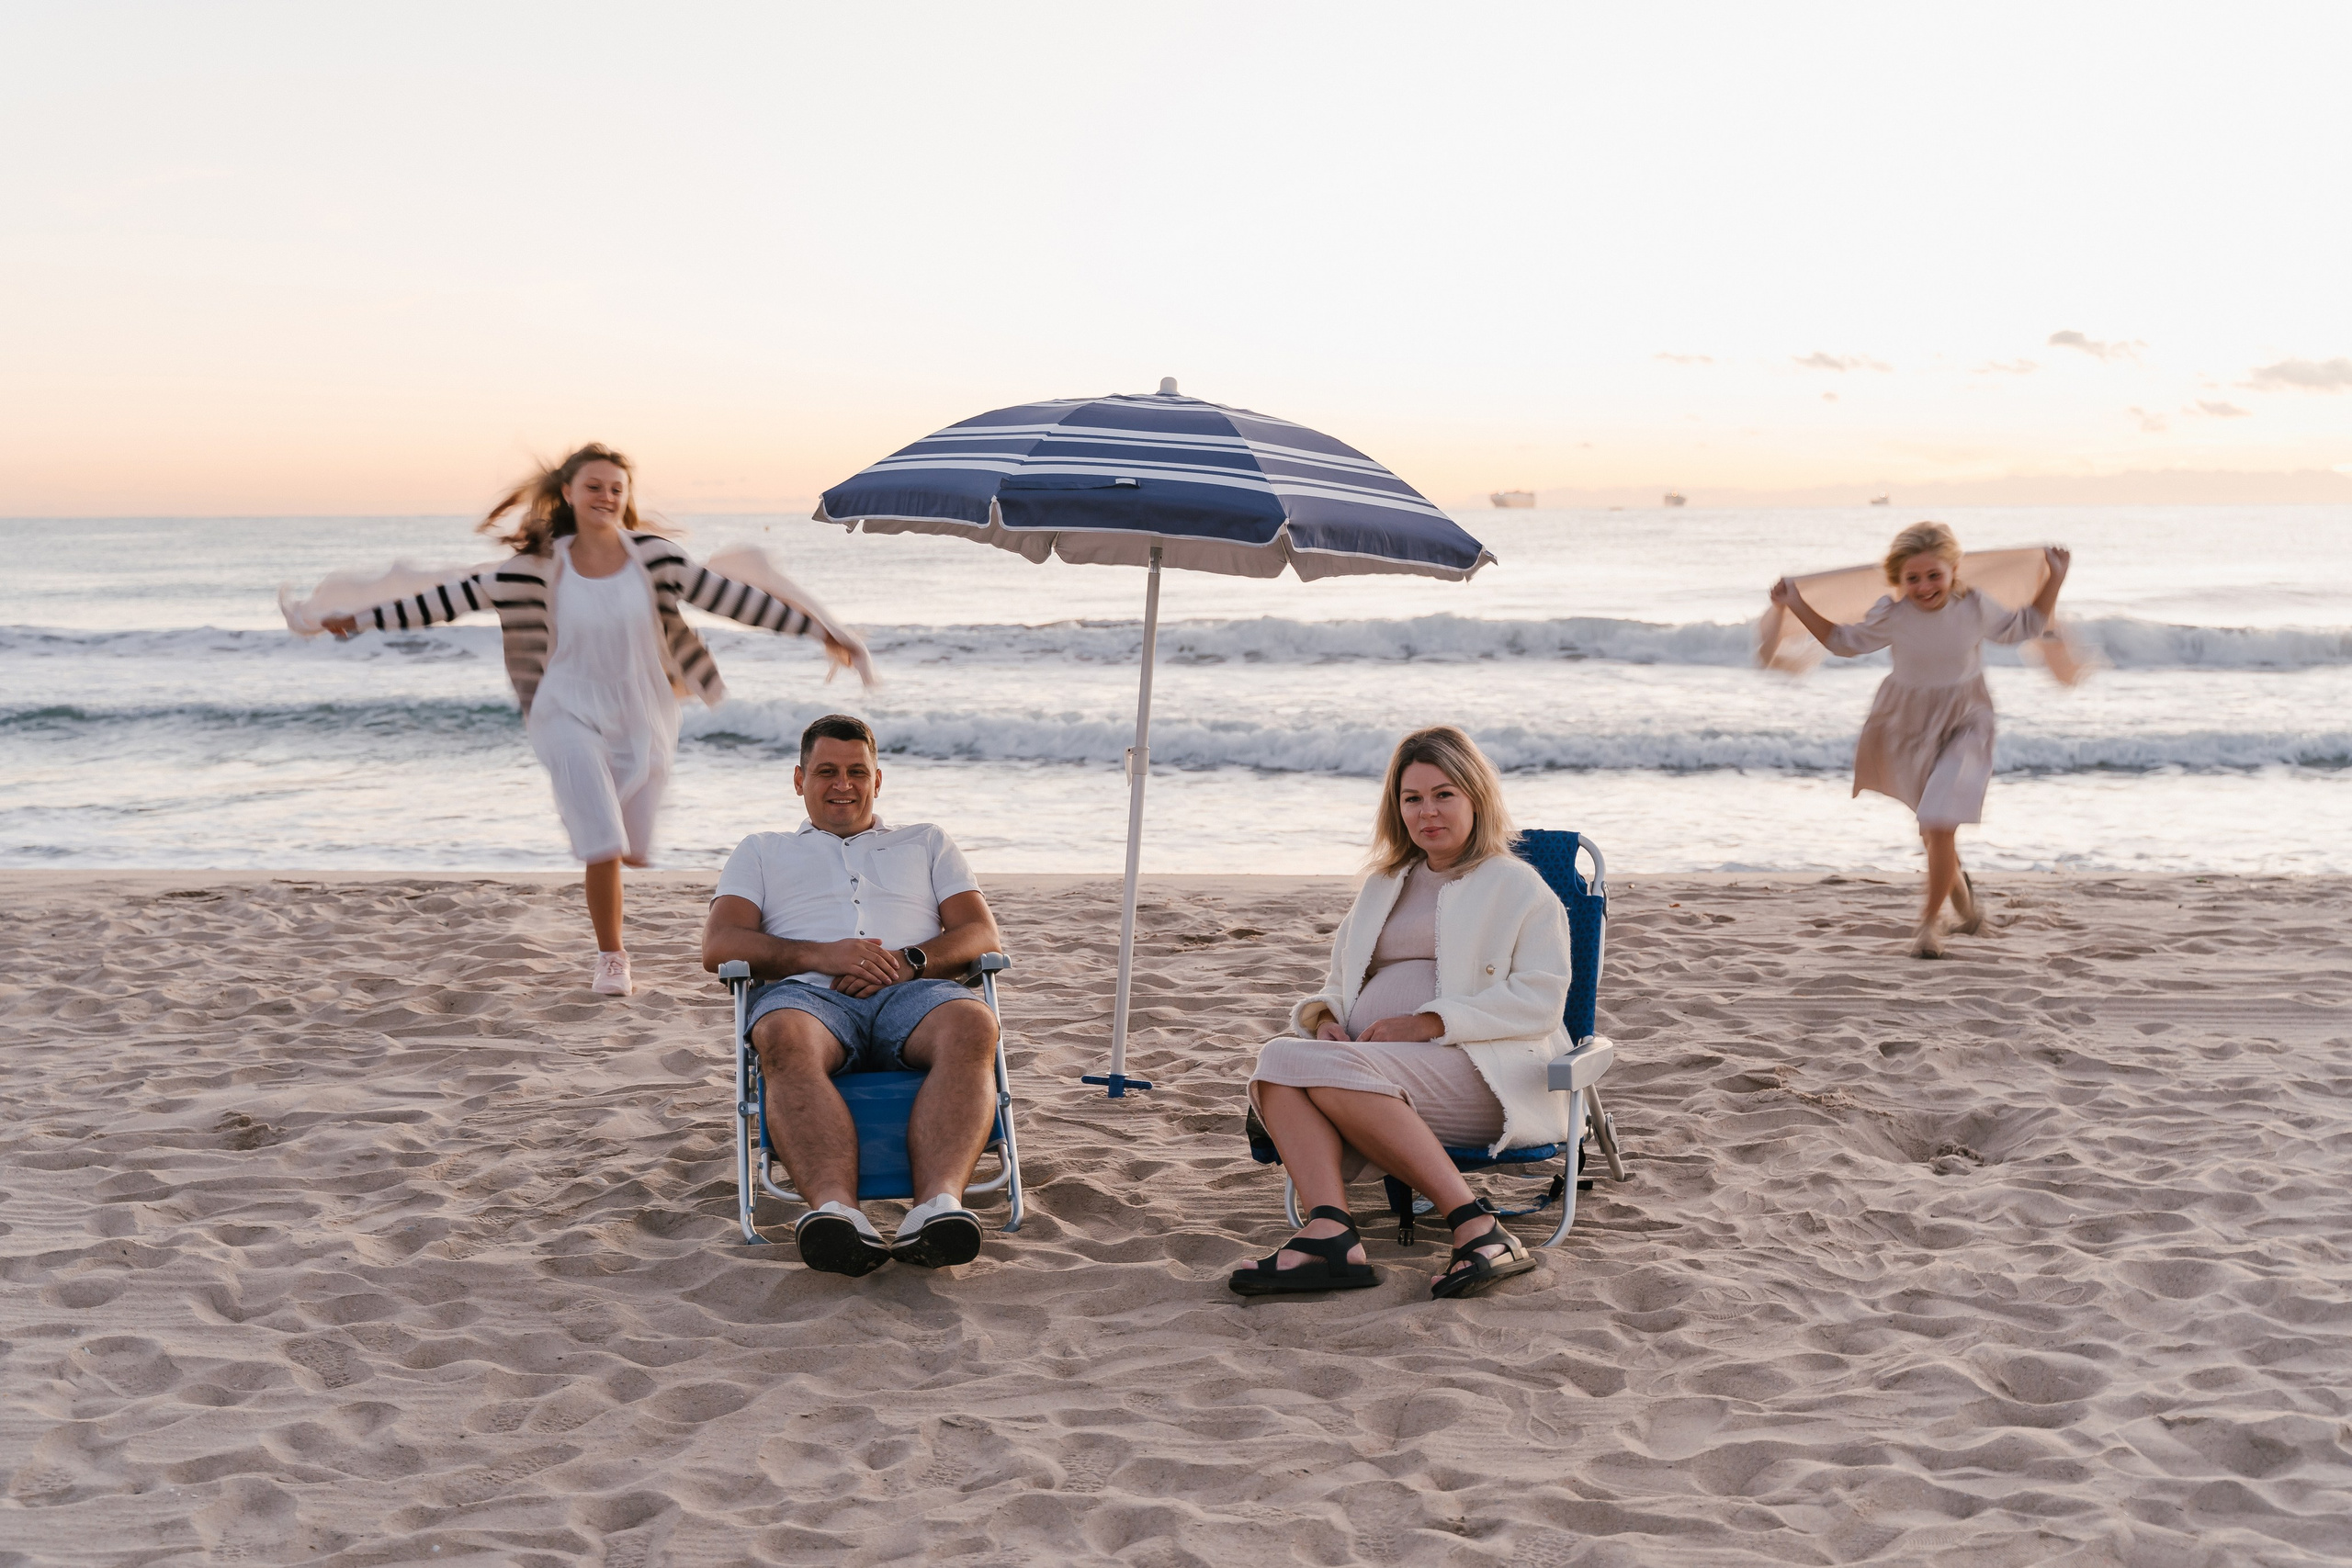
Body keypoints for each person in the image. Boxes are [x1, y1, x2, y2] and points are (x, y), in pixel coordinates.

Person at [284, 443, 869, 995]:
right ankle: (612, 957)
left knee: (633, 847)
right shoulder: (533, 568)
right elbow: (443, 601)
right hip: (563, 709)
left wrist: (818, 628)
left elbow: (733, 599)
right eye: (594, 486)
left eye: (616, 488)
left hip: (643, 712)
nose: (606, 497)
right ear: (568, 492)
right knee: (603, 841)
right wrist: (358, 621)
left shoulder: (655, 558)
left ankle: (614, 869)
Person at [1233, 726, 1575, 1302]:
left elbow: (1541, 1001)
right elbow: (1339, 985)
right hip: (1378, 1077)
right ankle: (1330, 1234)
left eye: (1444, 794)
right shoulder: (1384, 885)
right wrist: (1326, 1023)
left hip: (1485, 1074)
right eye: (1412, 798)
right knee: (1277, 1069)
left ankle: (1475, 1225)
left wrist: (1428, 1023)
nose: (1427, 812)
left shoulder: (1518, 888)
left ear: (1475, 798)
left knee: (1286, 1063)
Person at [701, 714, 1007, 1278]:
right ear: (799, 780)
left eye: (855, 772)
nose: (842, 783)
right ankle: (836, 1214)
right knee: (779, 1034)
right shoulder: (762, 850)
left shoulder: (927, 842)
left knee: (974, 1024)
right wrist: (822, 955)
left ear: (877, 779)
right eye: (826, 771)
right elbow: (720, 945)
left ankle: (937, 1208)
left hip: (913, 993)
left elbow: (981, 935)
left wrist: (907, 961)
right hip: (810, 999)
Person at [1770, 523, 2071, 958]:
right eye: (1913, 578)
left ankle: (1930, 926)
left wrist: (2054, 578)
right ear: (1899, 580)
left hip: (1967, 719)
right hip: (1906, 724)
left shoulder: (1973, 606)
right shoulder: (1894, 615)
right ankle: (1965, 903)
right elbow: (1841, 642)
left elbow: (2025, 625)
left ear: (1952, 570)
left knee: (1938, 821)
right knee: (1934, 833)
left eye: (1934, 575)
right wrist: (1795, 602)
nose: (1924, 586)